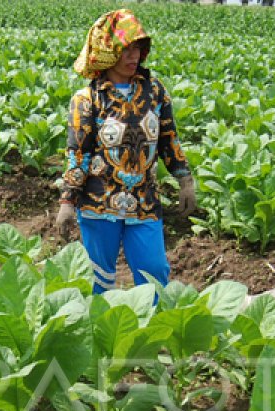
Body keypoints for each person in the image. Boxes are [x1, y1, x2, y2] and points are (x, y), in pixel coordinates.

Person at [55, 9, 196, 294]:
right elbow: (78, 154)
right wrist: (67, 200)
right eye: (126, 49)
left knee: (154, 270)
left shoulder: (155, 92)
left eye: (138, 49)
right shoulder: (87, 99)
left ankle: (153, 334)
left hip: (144, 200)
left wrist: (185, 179)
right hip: (98, 202)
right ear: (107, 51)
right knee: (99, 275)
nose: (134, 56)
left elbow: (169, 138)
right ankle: (102, 331)